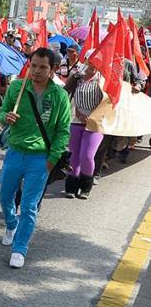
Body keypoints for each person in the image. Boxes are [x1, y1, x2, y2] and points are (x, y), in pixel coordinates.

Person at [0, 48, 71, 268]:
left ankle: (20, 248)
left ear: (52, 70)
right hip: (15, 153)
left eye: (43, 67)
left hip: (40, 159)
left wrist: (51, 160)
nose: (37, 71)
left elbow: (63, 130)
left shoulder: (59, 95)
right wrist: (6, 117)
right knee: (4, 195)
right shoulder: (17, 87)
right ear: (29, 65)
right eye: (34, 66)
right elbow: (3, 112)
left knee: (29, 206)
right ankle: (11, 223)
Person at [64, 52, 104, 199]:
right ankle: (71, 185)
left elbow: (110, 102)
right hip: (76, 120)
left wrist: (93, 116)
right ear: (86, 60)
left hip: (95, 124)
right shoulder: (77, 76)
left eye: (97, 61)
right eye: (91, 61)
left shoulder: (103, 80)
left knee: (87, 155)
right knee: (74, 155)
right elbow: (64, 92)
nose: (93, 64)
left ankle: (86, 186)